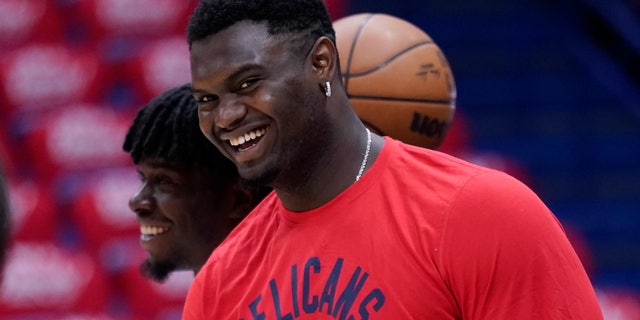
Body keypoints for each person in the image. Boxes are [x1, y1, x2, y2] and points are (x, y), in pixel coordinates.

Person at [185, 0, 602, 318]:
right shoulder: (219, 285)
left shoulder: (481, 213)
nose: (225, 116)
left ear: (321, 62)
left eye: (248, 83)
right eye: (207, 99)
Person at [123, 83, 269, 281]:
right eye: (143, 178)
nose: (137, 202)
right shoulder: (212, 299)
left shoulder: (280, 302)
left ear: (238, 200)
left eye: (164, 181)